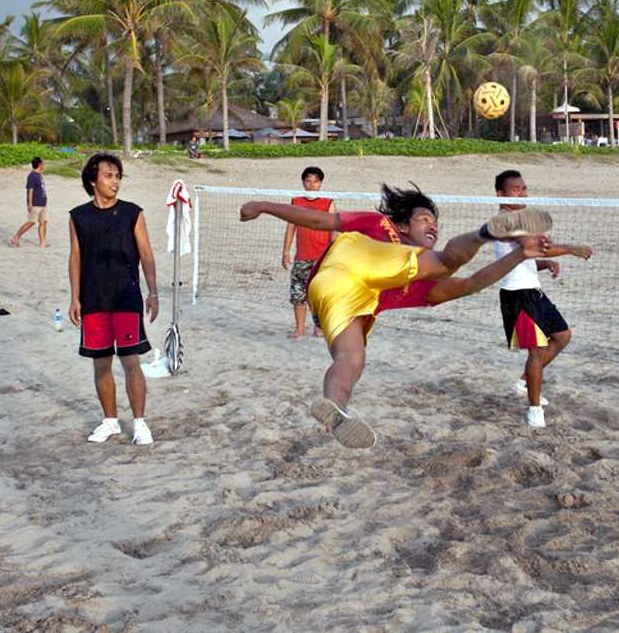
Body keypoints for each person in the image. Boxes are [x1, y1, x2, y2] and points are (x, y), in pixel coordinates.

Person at [239, 187, 553, 447]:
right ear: (403, 225)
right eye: (424, 219)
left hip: (336, 295)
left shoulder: (419, 281)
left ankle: (336, 411)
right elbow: (320, 221)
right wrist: (264, 205)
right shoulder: (379, 225)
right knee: (444, 262)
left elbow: (470, 285)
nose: (433, 226)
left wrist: (518, 255)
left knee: (352, 359)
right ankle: (485, 233)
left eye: (435, 223)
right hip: (351, 262)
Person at [68, 153, 160, 446]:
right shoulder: (78, 216)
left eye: (118, 176)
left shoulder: (133, 212)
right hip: (93, 298)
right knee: (101, 364)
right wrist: (75, 298)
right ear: (93, 180)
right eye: (109, 175)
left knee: (130, 360)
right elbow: (76, 257)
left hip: (125, 296)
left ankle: (140, 423)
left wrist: (153, 292)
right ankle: (109, 421)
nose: (115, 181)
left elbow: (146, 254)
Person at [493, 170, 593, 428]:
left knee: (562, 336)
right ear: (500, 194)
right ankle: (534, 410)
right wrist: (570, 249)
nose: (523, 193)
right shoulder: (504, 221)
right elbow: (532, 247)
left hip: (532, 291)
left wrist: (544, 263)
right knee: (536, 352)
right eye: (516, 189)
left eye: (524, 188)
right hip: (518, 296)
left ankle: (524, 381)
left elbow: (523, 257)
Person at [282, 166, 334, 338]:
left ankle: (319, 328)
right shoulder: (296, 202)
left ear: (321, 183)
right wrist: (286, 252)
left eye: (315, 181)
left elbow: (334, 228)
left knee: (319, 295)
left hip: (322, 257)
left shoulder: (328, 202)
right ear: (303, 183)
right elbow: (290, 227)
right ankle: (300, 329)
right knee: (298, 294)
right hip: (302, 257)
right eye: (308, 181)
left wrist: (334, 253)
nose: (312, 184)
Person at [11, 157, 48, 248]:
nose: (44, 165)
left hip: (43, 203)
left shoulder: (39, 175)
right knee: (31, 222)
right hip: (35, 203)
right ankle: (16, 236)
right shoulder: (32, 176)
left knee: (43, 222)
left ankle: (43, 242)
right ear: (39, 164)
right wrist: (29, 204)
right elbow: (30, 190)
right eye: (43, 163)